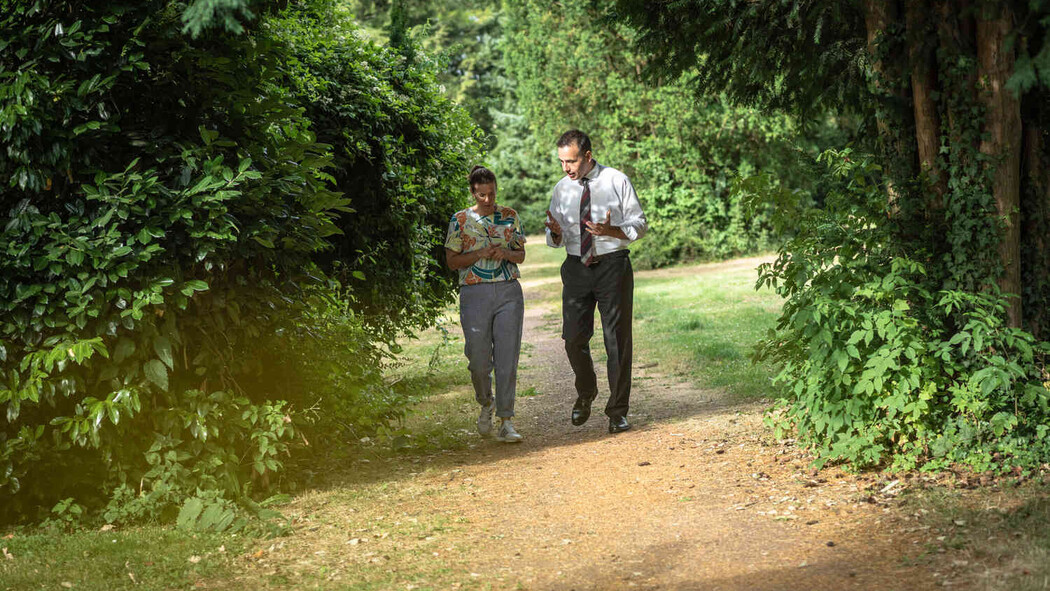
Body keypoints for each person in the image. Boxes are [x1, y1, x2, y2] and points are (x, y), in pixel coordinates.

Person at [543, 130, 647, 434]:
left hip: (612, 266)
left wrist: (612, 230)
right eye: (562, 161)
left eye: (571, 161)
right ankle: (586, 391)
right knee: (573, 339)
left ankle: (618, 411)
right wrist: (556, 233)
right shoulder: (562, 189)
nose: (566, 168)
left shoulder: (616, 180)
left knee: (617, 340)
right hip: (576, 267)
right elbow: (553, 236)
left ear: (587, 156)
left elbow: (640, 224)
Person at [445, 165, 527, 443]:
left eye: (492, 193)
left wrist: (504, 253)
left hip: (508, 291)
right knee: (478, 361)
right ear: (473, 193)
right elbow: (452, 261)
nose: (488, 199)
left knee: (507, 358)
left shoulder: (509, 216)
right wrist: (479, 253)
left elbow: (520, 255)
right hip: (474, 293)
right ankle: (486, 402)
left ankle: (506, 420)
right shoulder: (459, 220)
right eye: (482, 195)